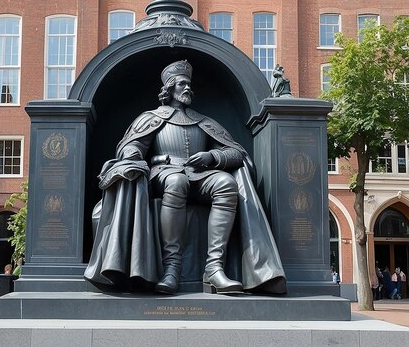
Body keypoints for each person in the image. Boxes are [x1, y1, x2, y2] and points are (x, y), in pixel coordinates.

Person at [85, 60, 286, 295]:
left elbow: (237, 153)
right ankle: (172, 268)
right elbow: (132, 146)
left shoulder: (204, 121)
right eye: (182, 84)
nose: (188, 88)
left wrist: (211, 157)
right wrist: (134, 155)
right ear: (169, 89)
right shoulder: (151, 117)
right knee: (176, 181)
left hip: (201, 175)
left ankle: (214, 268)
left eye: (189, 84)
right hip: (164, 174)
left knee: (226, 183)